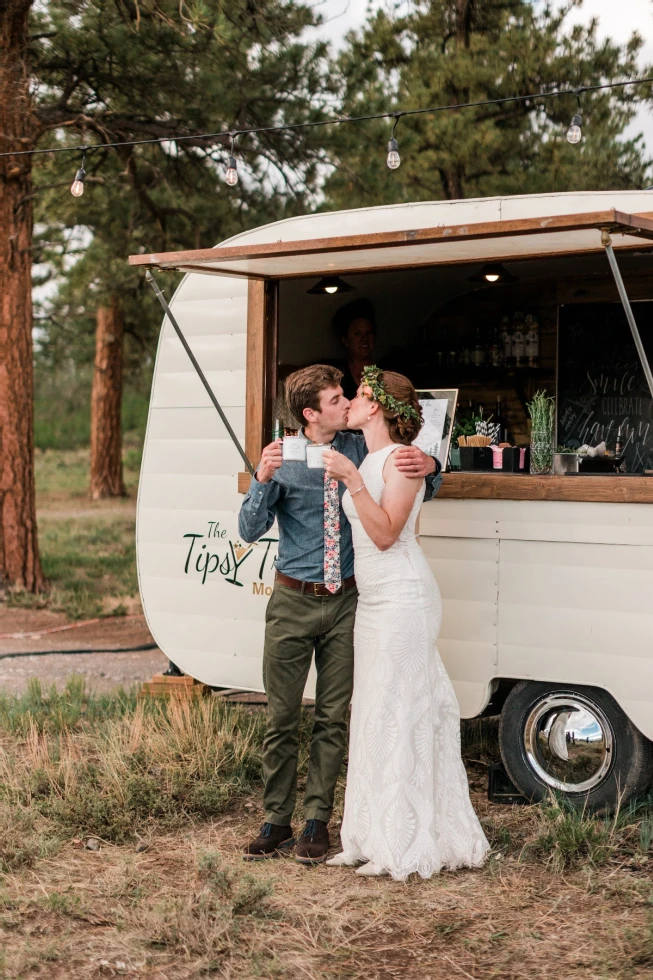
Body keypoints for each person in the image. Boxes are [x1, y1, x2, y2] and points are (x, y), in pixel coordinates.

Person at [238, 364, 441, 865]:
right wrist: (261, 479)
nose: (347, 402)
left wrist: (433, 462)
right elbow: (248, 529)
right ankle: (276, 819)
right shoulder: (281, 457)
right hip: (291, 601)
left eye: (349, 395)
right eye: (336, 399)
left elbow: (415, 485)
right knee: (282, 716)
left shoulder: (361, 450)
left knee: (332, 717)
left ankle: (316, 821)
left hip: (349, 602)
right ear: (311, 413)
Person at [324, 366, 490, 880]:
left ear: (376, 407)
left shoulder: (400, 460)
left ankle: (402, 838)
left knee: (401, 711)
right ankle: (366, 835)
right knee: (372, 711)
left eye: (359, 394)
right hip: (373, 603)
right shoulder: (371, 457)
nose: (350, 400)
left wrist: (352, 482)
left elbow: (385, 535)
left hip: (404, 598)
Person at [330, 299, 378, 401]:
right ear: (345, 340)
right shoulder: (336, 371)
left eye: (369, 333)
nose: (365, 338)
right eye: (357, 333)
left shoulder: (387, 371)